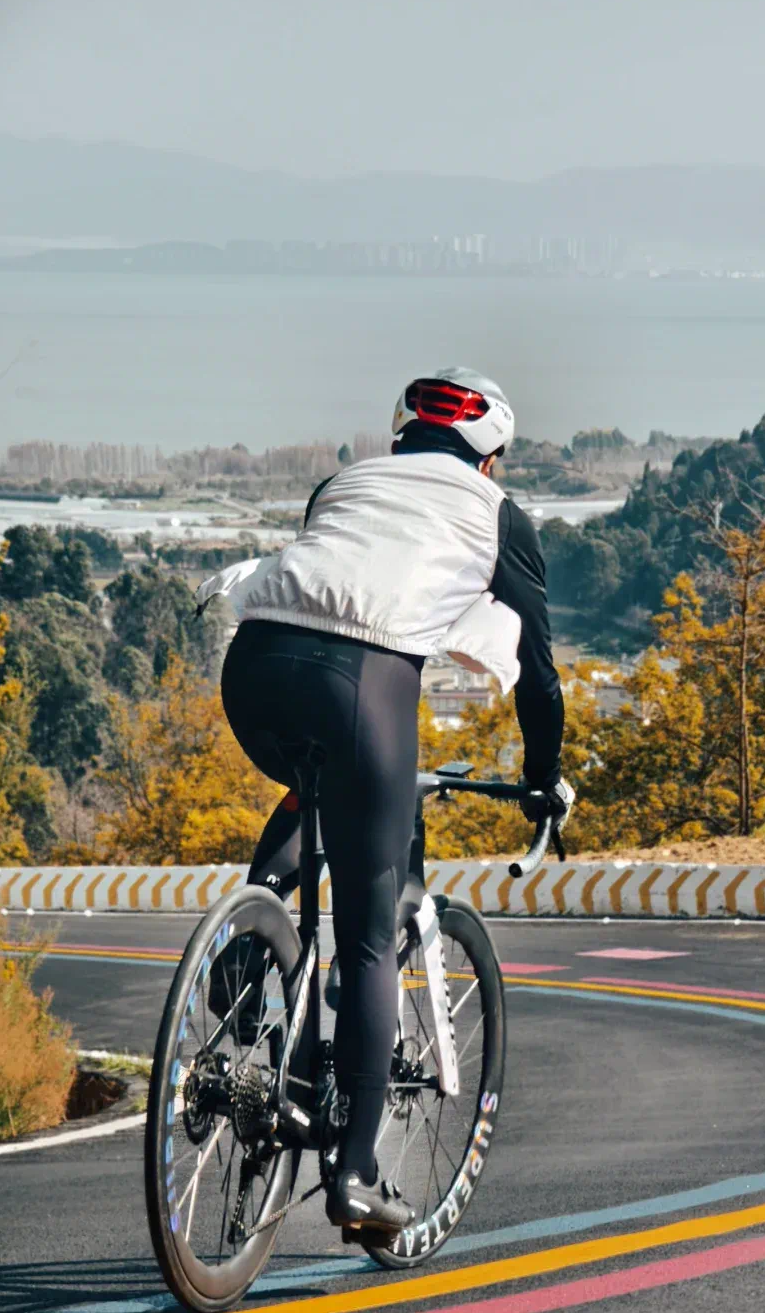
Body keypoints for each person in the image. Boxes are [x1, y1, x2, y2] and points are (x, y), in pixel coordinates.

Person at [196, 367, 572, 1236]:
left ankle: (249, 948)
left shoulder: (345, 483)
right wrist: (543, 777)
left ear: (401, 437)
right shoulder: (499, 515)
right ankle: (358, 1174)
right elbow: (539, 675)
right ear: (491, 457)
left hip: (254, 669)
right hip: (361, 685)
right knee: (368, 936)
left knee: (313, 784)